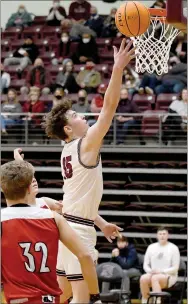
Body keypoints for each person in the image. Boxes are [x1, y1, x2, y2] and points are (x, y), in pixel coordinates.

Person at [43, 39, 135, 303]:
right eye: (76, 116)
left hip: (68, 226)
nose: (82, 115)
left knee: (61, 297)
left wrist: (102, 223)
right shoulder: (85, 145)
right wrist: (117, 69)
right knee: (83, 300)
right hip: (77, 232)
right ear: (69, 129)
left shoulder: (67, 150)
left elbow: (77, 201)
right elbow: (108, 109)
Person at [1, 160, 101, 304]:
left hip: (17, 299)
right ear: (30, 188)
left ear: (3, 189)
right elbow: (85, 255)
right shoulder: (54, 218)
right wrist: (95, 295)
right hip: (49, 299)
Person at [140, 227, 180, 304]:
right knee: (143, 278)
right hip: (153, 274)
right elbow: (145, 264)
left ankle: (157, 301)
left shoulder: (174, 248)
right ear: (157, 236)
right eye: (160, 234)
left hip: (169, 276)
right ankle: (146, 300)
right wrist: (150, 271)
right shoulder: (151, 247)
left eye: (164, 234)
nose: (162, 236)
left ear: (168, 235)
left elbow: (175, 268)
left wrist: (161, 271)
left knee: (155, 278)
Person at [111, 236, 141, 303]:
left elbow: (127, 265)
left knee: (124, 273)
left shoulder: (132, 251)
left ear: (126, 243)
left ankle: (125, 296)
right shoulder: (117, 251)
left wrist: (117, 256)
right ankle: (105, 294)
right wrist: (113, 257)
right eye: (119, 242)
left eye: (122, 242)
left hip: (135, 270)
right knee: (107, 273)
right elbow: (111, 265)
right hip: (122, 270)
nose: (120, 244)